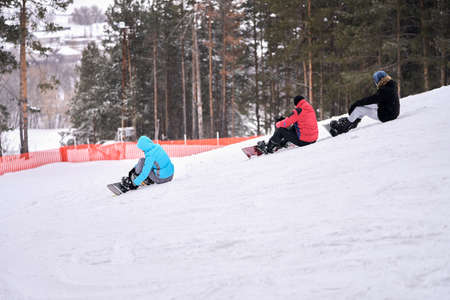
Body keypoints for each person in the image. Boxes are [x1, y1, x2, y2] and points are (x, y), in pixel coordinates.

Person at [330, 70, 400, 136]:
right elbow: (376, 101)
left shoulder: (384, 90)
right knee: (364, 106)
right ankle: (353, 121)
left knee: (359, 109)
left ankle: (343, 127)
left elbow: (372, 99)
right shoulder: (391, 86)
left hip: (386, 116)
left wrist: (357, 103)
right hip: (392, 112)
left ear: (379, 80)